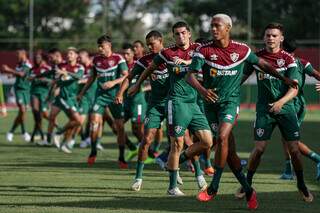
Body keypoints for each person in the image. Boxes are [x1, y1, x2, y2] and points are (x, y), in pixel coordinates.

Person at [185, 15, 297, 209]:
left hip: (230, 103)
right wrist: (203, 91)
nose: (213, 29)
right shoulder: (203, 51)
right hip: (210, 106)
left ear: (228, 28)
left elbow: (262, 64)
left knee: (220, 137)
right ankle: (249, 190)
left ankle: (213, 187)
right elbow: (190, 77)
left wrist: (283, 78)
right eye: (211, 26)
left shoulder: (242, 49)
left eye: (217, 25)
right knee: (230, 154)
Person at [129, 22, 213, 196]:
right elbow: (149, 68)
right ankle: (172, 187)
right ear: (173, 36)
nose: (180, 36)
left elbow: (207, 59)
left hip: (194, 103)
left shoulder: (198, 48)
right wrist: (137, 85)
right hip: (176, 102)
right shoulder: (167, 53)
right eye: (177, 34)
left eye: (183, 33)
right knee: (177, 142)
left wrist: (187, 61)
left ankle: (174, 163)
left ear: (189, 34)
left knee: (206, 142)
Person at [239, 23, 313, 203]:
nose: (270, 38)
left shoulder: (288, 60)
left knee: (294, 151)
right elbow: (240, 78)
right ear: (264, 38)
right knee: (259, 149)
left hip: (286, 109)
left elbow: (294, 88)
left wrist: (280, 102)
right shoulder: (255, 58)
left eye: (274, 35)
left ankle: (301, 185)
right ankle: (247, 184)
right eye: (268, 35)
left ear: (281, 38)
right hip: (264, 111)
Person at [118, 30, 170, 191]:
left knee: (181, 140)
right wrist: (121, 92)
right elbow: (130, 77)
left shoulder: (172, 56)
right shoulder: (145, 60)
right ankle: (138, 178)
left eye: (151, 44)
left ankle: (195, 175)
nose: (149, 47)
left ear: (161, 41)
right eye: (147, 44)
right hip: (154, 104)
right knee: (146, 138)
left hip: (174, 103)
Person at [78, 35, 129, 168]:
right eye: (98, 46)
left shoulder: (118, 59)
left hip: (116, 96)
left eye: (102, 46)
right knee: (94, 123)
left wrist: (113, 82)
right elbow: (91, 77)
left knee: (120, 128)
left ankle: (121, 157)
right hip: (100, 97)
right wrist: (82, 92)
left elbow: (126, 76)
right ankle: (93, 151)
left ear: (109, 46)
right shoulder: (96, 60)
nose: (100, 49)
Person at [278, 38, 320, 181]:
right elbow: (316, 74)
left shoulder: (297, 63)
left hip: (294, 105)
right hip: (287, 104)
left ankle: (317, 160)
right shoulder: (300, 62)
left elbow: (316, 74)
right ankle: (289, 170)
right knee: (286, 138)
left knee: (290, 139)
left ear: (282, 47)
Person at [2, 49, 32, 142]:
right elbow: (17, 73)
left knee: (22, 113)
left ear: (23, 54)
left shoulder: (28, 64)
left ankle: (18, 132)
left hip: (26, 90)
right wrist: (11, 75)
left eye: (18, 54)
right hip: (18, 89)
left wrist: (8, 69)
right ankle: (16, 132)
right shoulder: (19, 64)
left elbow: (22, 74)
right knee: (22, 110)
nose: (17, 56)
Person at [28, 50, 52, 143]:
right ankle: (40, 134)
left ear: (42, 59)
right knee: (35, 111)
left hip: (44, 94)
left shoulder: (47, 69)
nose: (36, 59)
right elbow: (29, 78)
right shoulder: (32, 69)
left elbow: (51, 81)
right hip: (34, 92)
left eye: (38, 58)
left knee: (41, 115)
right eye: (35, 58)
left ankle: (38, 134)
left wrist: (43, 80)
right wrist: (33, 78)